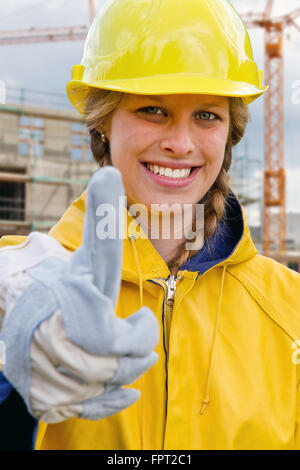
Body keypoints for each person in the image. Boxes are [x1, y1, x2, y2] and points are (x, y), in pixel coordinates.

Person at [0, 0, 300, 451]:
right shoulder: (24, 286)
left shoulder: (289, 308)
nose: (180, 144)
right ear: (104, 123)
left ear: (228, 133)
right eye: (152, 110)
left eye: (206, 115)